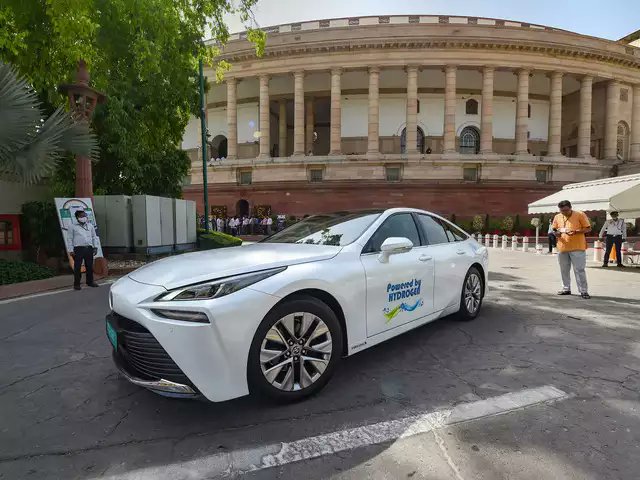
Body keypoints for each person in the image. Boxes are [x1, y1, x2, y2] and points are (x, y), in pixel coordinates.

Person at [552, 200, 592, 299]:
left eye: (566, 210)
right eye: (562, 211)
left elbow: (588, 228)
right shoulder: (557, 216)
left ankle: (583, 291)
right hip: (562, 247)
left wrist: (575, 232)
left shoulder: (580, 214)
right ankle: (566, 288)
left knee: (579, 270)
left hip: (577, 247)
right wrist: (556, 233)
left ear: (570, 208)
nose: (564, 213)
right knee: (564, 270)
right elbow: (554, 229)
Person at [68, 210, 99, 290]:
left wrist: (95, 247)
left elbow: (94, 237)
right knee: (77, 267)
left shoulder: (90, 225)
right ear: (77, 218)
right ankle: (77, 284)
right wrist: (71, 250)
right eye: (82, 216)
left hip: (89, 248)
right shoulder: (72, 226)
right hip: (78, 249)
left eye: (85, 216)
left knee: (89, 266)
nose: (84, 218)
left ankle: (90, 281)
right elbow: (69, 239)